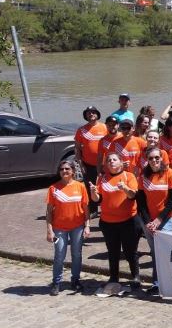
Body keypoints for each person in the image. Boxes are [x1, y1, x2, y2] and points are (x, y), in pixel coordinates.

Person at [89, 152, 141, 290]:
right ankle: (113, 277)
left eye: (114, 159)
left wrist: (125, 188)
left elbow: (133, 196)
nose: (111, 162)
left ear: (121, 162)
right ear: (106, 164)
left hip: (128, 221)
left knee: (130, 251)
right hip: (108, 222)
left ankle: (135, 276)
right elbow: (97, 199)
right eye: (109, 160)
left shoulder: (128, 176)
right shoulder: (102, 179)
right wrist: (93, 193)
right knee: (113, 251)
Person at [136, 146, 172, 295]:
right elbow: (141, 201)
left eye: (157, 157)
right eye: (151, 158)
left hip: (165, 219)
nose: (154, 160)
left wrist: (159, 220)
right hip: (148, 221)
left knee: (166, 252)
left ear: (161, 158)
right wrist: (149, 221)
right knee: (155, 252)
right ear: (147, 160)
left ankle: (171, 283)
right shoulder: (143, 176)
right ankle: (156, 283)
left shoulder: (171, 174)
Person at [45, 159, 89, 295]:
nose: (64, 171)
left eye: (67, 169)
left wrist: (87, 226)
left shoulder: (80, 187)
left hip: (78, 227)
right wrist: (49, 230)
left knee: (77, 254)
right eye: (62, 169)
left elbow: (86, 209)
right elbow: (48, 212)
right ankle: (56, 282)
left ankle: (75, 280)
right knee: (59, 254)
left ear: (73, 171)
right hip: (59, 229)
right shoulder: (53, 188)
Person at [74, 106, 107, 216]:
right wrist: (80, 164)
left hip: (105, 164)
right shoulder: (81, 130)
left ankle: (107, 209)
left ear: (97, 114)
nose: (91, 114)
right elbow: (77, 148)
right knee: (90, 187)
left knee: (106, 186)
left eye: (93, 112)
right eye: (88, 113)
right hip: (88, 164)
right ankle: (93, 210)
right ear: (85, 116)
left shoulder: (105, 127)